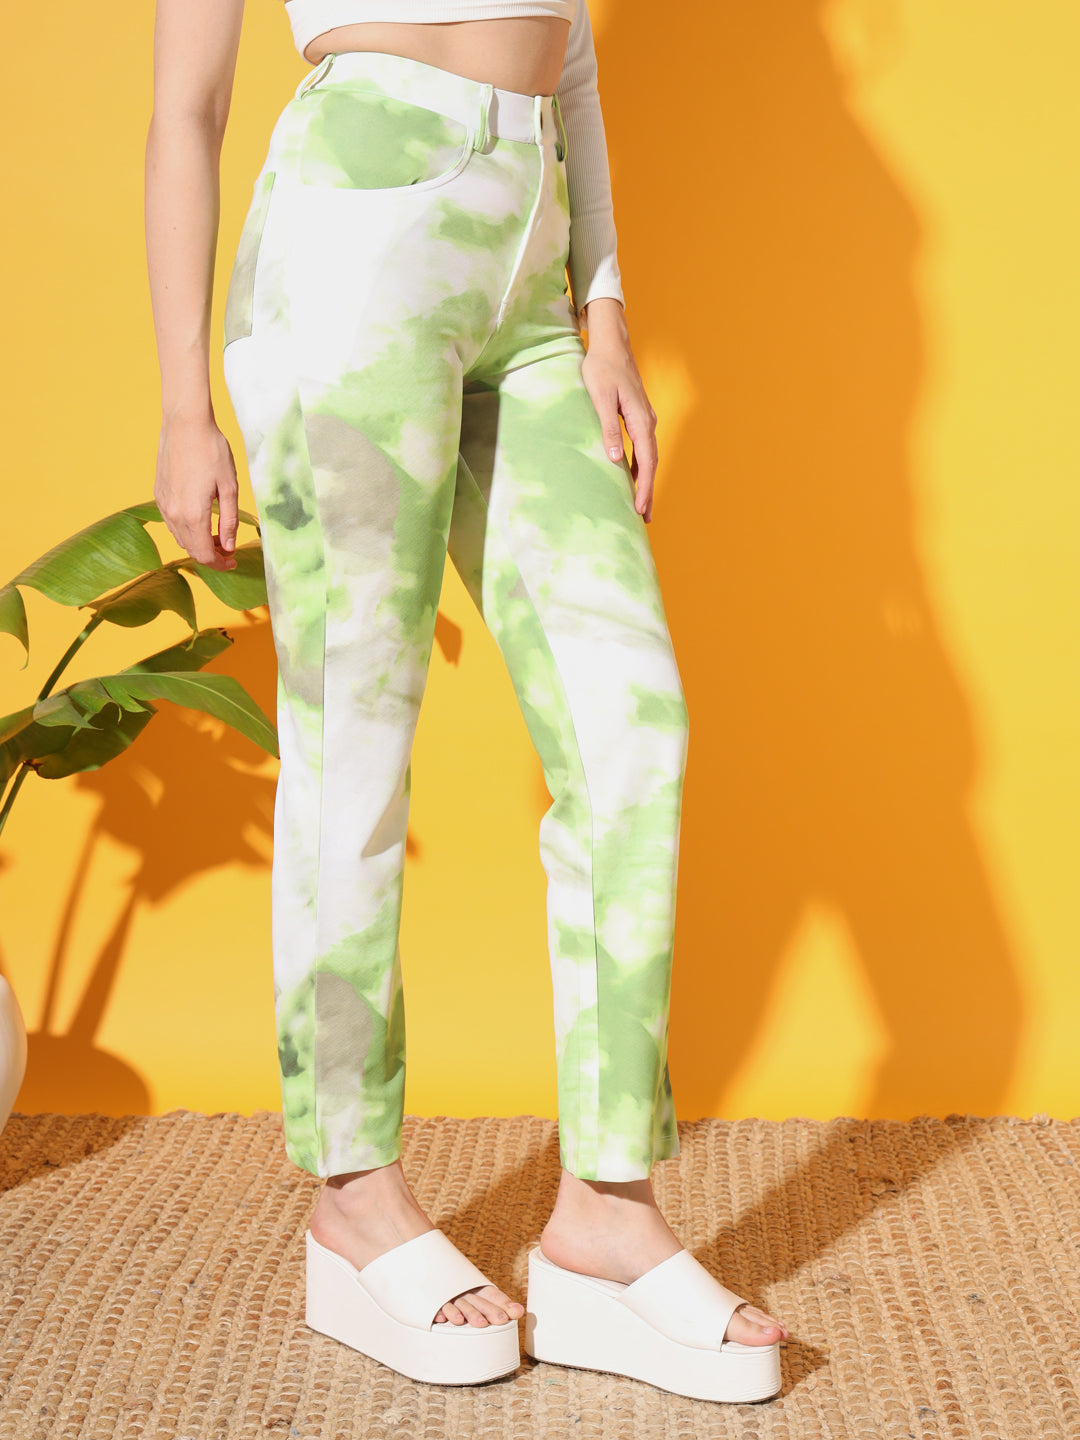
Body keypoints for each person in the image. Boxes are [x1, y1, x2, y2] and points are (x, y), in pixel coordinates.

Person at [146, 0, 790, 1401]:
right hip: (354, 239)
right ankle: (353, 1197)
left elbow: (572, 56)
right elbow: (187, 108)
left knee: (631, 727)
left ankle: (604, 1219)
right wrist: (184, 407)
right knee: (356, 740)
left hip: (531, 273)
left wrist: (604, 308)